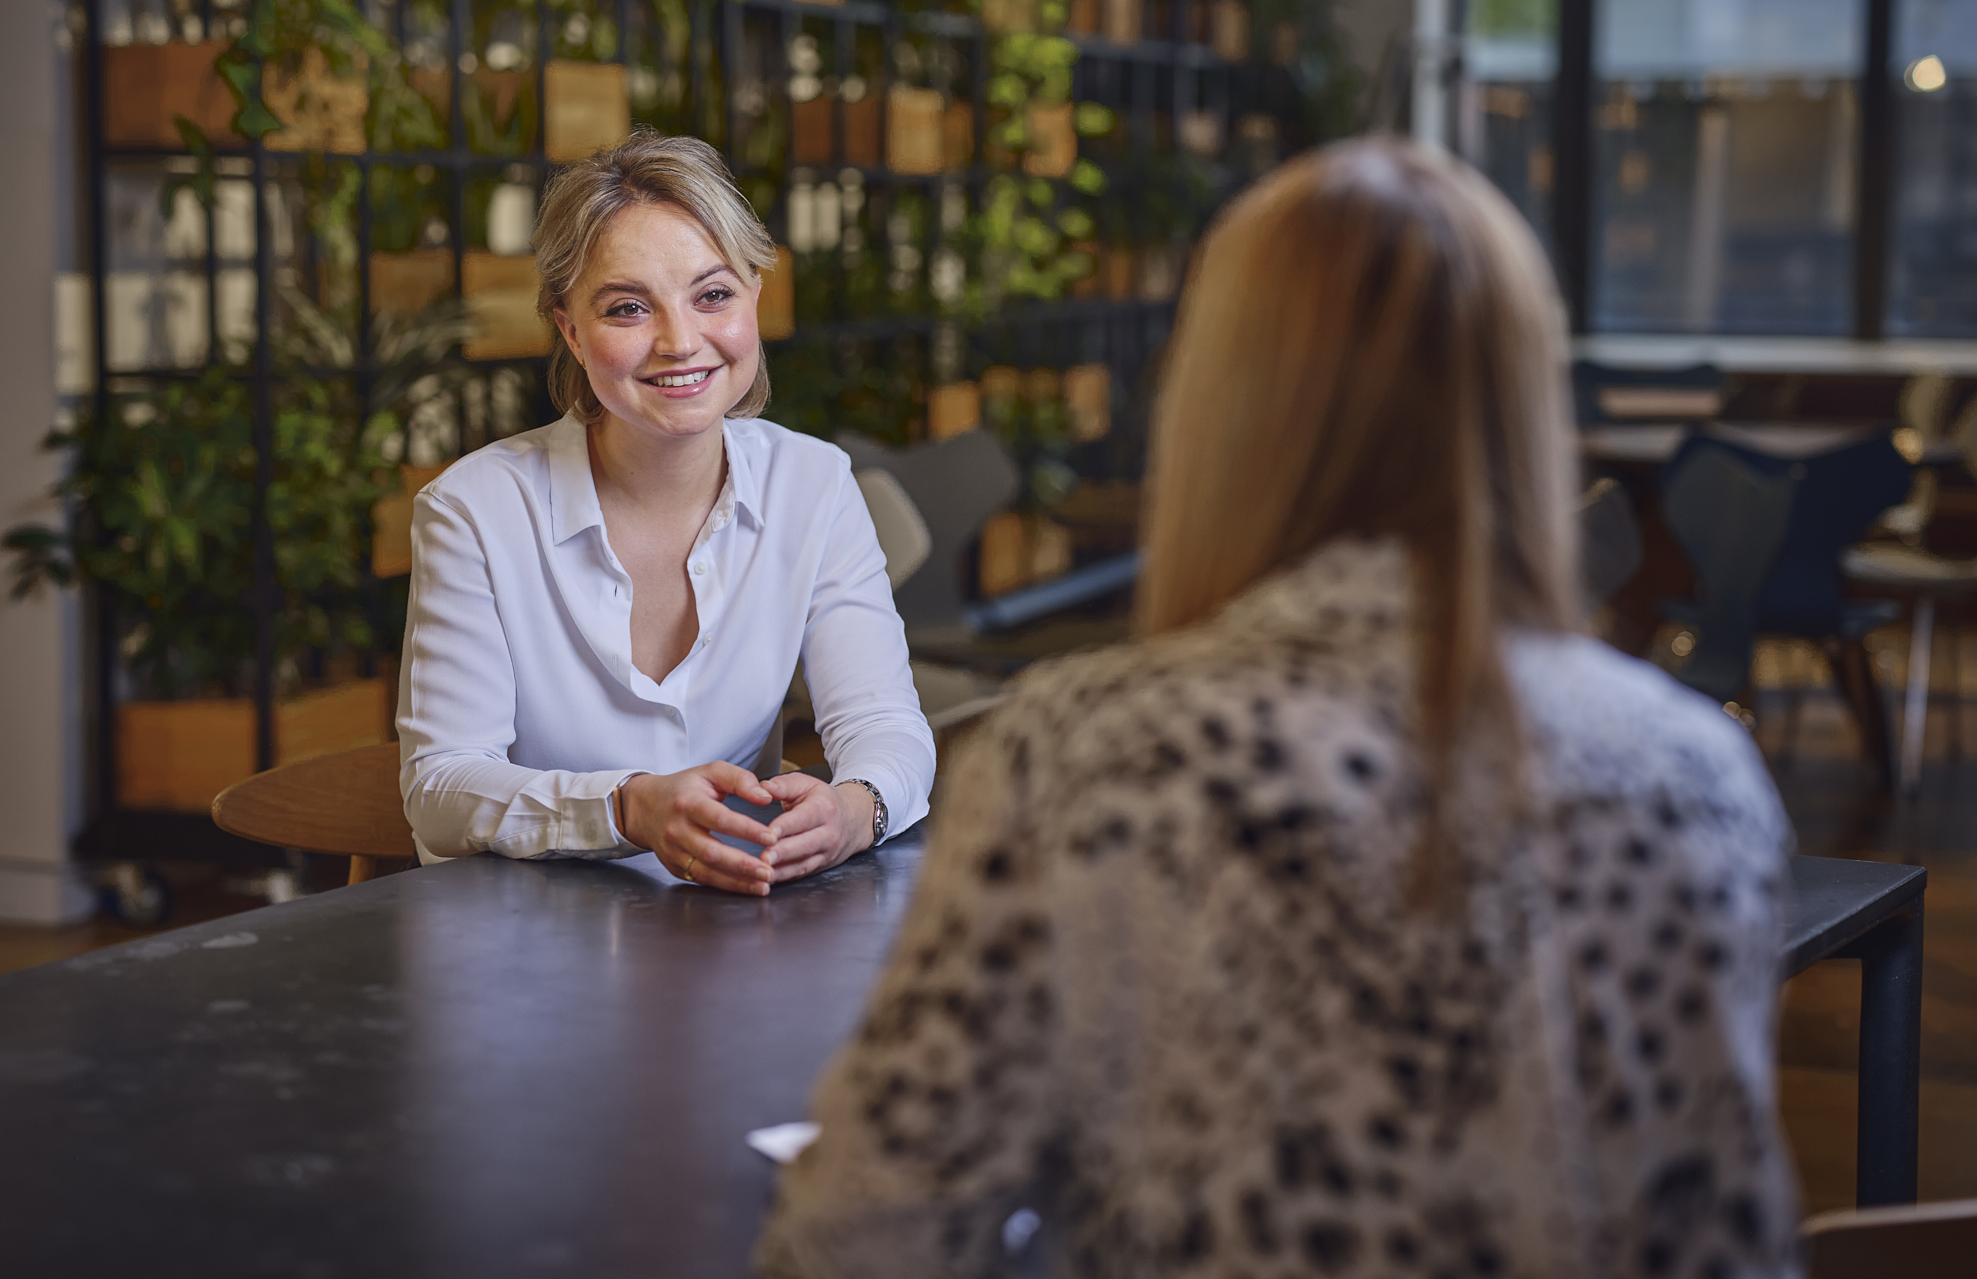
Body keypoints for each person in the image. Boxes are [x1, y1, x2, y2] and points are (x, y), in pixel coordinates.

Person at [756, 139, 1798, 1277]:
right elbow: (1722, 1239)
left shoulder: (1084, 757)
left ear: (1218, 405)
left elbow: (865, 1236)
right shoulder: (1696, 777)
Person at [397, 130, 934, 894]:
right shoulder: (473, 511)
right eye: (627, 308)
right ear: (570, 332)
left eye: (712, 295)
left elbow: (885, 725)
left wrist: (858, 808)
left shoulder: (813, 483)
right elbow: (441, 790)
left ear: (752, 295)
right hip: (526, 950)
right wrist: (623, 809)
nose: (681, 342)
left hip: (740, 933)